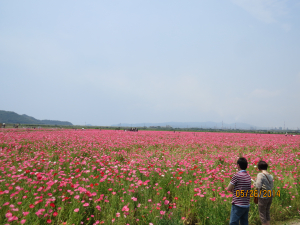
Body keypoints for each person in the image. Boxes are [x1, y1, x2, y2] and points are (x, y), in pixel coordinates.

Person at [226, 157, 251, 225]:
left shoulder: (237, 175)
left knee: (233, 223)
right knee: (244, 222)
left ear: (238, 165)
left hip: (237, 204)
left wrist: (233, 190)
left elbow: (228, 188)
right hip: (246, 204)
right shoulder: (248, 176)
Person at [253, 161, 273, 225]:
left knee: (262, 214)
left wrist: (254, 183)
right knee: (267, 212)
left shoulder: (260, 175)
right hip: (270, 194)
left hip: (263, 196)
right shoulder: (270, 175)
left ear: (259, 168)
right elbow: (271, 186)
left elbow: (258, 186)